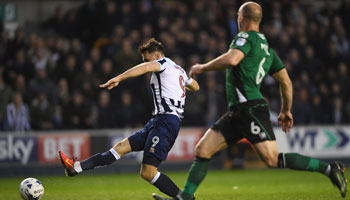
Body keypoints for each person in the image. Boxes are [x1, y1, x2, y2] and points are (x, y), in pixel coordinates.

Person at [152, 2, 347, 200]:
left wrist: (202, 67)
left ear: (241, 18)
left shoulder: (245, 37)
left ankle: (330, 169)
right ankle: (185, 198)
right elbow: (286, 82)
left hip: (250, 108)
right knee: (203, 149)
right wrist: (286, 111)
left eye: (238, 16)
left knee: (272, 159)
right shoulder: (268, 51)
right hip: (238, 111)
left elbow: (232, 59)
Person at [58, 38, 200, 198]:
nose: (146, 63)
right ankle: (76, 167)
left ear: (157, 55)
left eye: (147, 59)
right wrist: (185, 84)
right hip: (158, 121)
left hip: (166, 123)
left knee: (148, 172)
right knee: (120, 147)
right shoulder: (179, 69)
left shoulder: (164, 63)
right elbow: (195, 86)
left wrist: (119, 78)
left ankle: (182, 197)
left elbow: (146, 67)